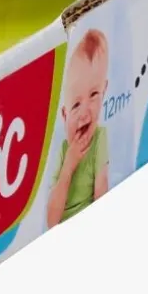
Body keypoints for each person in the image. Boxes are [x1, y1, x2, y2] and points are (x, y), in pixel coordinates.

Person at [46, 29, 110, 228]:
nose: (84, 112)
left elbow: (102, 189)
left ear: (105, 91)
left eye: (94, 94)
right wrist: (68, 166)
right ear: (64, 116)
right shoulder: (64, 150)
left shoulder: (99, 138)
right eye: (75, 105)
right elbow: (51, 220)